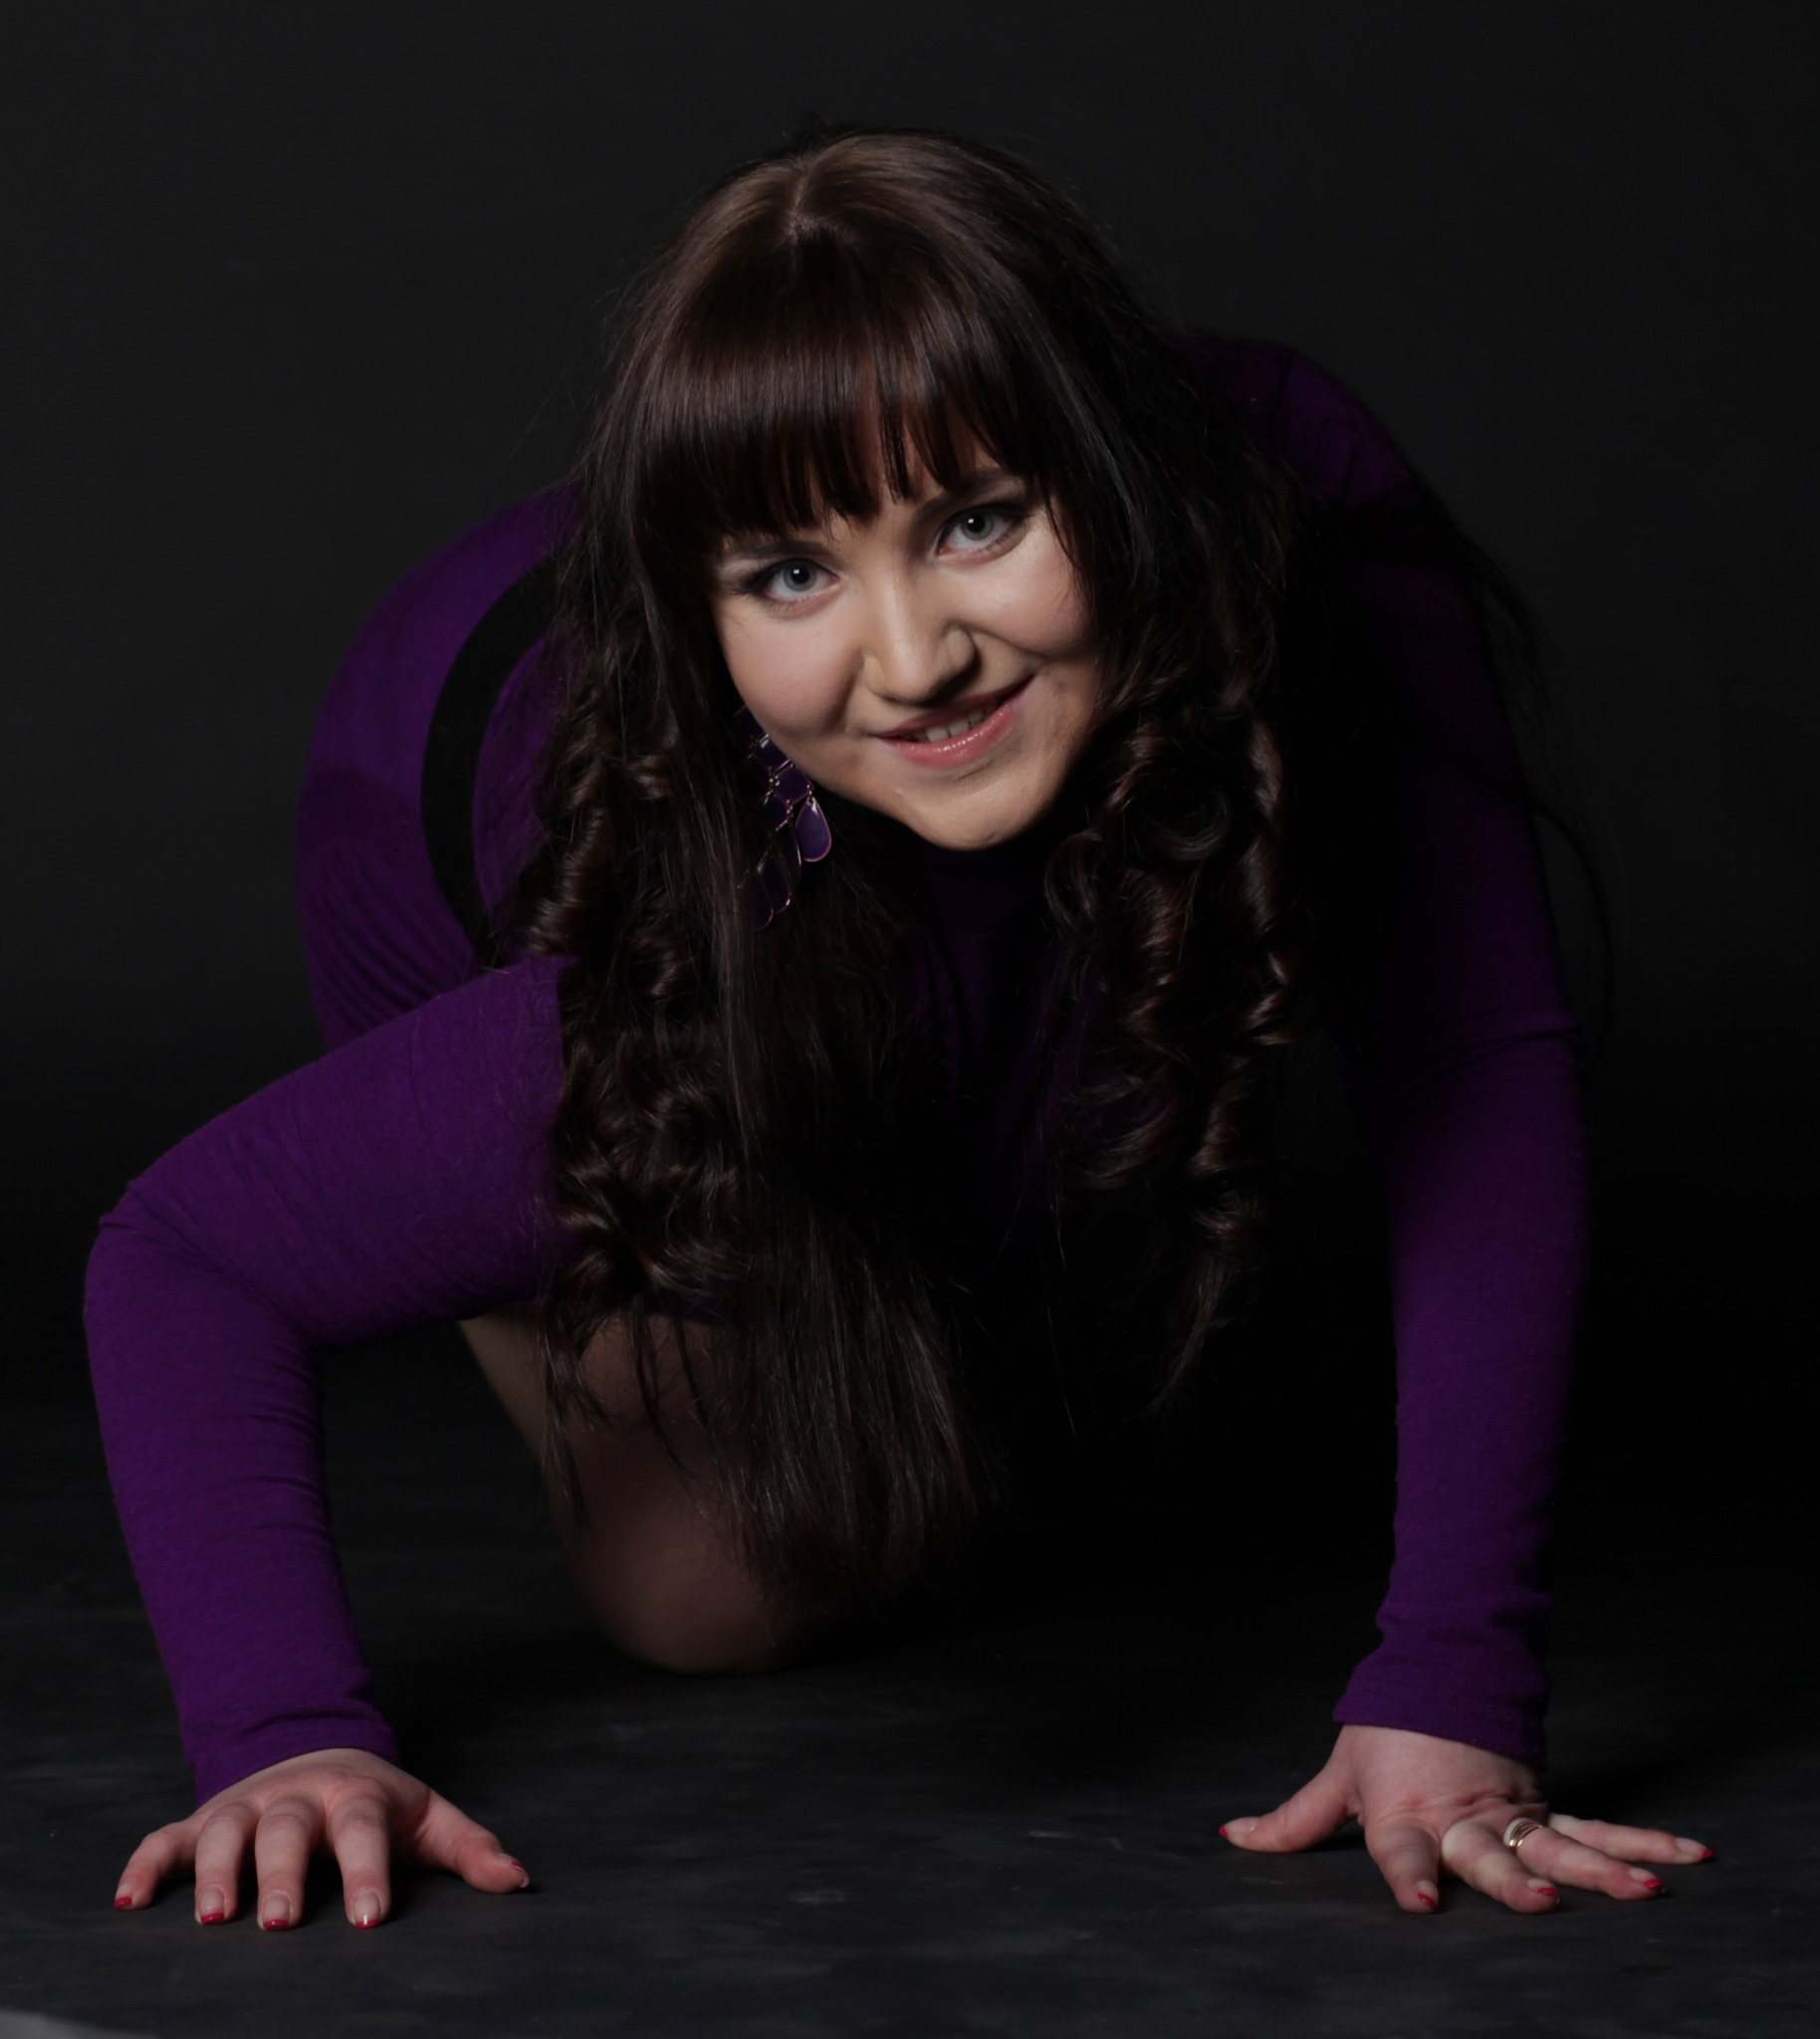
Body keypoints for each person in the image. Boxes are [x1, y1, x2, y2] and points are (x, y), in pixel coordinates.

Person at [87, 124, 1710, 1933]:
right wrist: (282, 1733)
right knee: (718, 1595)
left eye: (979, 521)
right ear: (708, 609)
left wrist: (1459, 1685)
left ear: (1118, 462)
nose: (917, 656)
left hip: (915, 827)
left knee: (1014, 1096)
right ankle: (681, 1263)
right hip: (475, 827)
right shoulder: (651, 983)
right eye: (792, 573)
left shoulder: (1298, 500)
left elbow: (1474, 1061)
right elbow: (183, 1258)